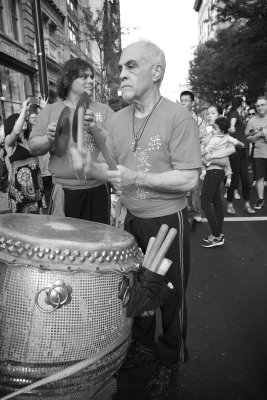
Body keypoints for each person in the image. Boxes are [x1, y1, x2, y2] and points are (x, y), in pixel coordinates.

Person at [71, 40, 201, 398]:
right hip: (130, 219)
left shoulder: (178, 116)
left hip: (166, 222)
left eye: (130, 66)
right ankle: (141, 350)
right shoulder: (118, 118)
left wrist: (136, 179)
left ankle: (170, 360)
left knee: (170, 297)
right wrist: (86, 164)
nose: (122, 74)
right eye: (119, 69)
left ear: (156, 72)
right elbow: (109, 170)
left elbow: (189, 179)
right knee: (136, 290)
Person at [28, 58, 114, 222]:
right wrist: (48, 138)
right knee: (66, 244)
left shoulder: (104, 111)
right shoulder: (49, 112)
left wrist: (97, 130)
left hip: (98, 190)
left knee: (97, 243)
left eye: (91, 77)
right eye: (84, 77)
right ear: (68, 80)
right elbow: (33, 147)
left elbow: (117, 148)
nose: (91, 81)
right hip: (64, 192)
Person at [201, 105, 236, 248]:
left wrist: (208, 158)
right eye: (207, 114)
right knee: (216, 203)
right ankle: (218, 234)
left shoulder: (224, 135)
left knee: (205, 203)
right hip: (213, 171)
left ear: (220, 115)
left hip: (215, 171)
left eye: (212, 113)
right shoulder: (212, 133)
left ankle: (216, 236)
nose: (209, 116)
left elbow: (229, 153)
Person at [4, 99, 44, 213]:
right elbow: (16, 132)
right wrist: (23, 111)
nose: (24, 121)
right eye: (19, 120)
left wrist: (43, 110)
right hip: (21, 187)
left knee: (38, 216)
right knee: (24, 220)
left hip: (36, 182)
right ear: (13, 124)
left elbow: (42, 129)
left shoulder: (29, 139)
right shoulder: (10, 142)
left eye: (23, 119)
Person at [226, 97, 255, 214]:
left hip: (243, 150)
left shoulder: (238, 115)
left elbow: (239, 130)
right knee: (234, 179)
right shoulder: (234, 113)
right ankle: (229, 204)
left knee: (246, 179)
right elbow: (233, 122)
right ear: (241, 103)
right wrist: (232, 127)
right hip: (235, 150)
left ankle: (247, 204)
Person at [179, 90, 203, 227]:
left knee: (195, 187)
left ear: (192, 103)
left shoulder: (198, 120)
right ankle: (183, 212)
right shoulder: (176, 117)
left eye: (186, 100)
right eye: (181, 100)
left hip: (194, 157)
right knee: (180, 186)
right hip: (179, 158)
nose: (183, 103)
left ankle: (196, 212)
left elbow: (204, 138)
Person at [200, 117, 244, 182]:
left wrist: (201, 155)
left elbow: (208, 149)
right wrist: (242, 144)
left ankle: (203, 173)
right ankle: (229, 180)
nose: (213, 130)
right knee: (228, 169)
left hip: (212, 159)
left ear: (222, 131)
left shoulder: (214, 139)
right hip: (224, 160)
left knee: (202, 162)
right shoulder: (227, 137)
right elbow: (235, 141)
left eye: (215, 129)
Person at [245, 96, 267, 209]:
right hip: (259, 153)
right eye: (258, 106)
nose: (260, 107)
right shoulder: (252, 121)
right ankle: (260, 199)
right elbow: (248, 138)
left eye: (262, 105)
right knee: (259, 178)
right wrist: (260, 134)